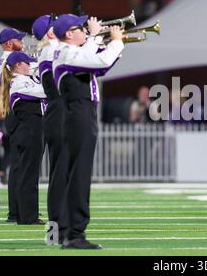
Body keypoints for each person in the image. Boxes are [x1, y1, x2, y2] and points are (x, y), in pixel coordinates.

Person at [52, 14, 125, 249]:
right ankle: (75, 234)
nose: (86, 30)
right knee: (79, 175)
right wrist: (113, 41)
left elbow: (99, 68)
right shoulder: (66, 52)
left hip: (80, 113)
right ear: (68, 34)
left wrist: (110, 46)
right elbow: (99, 62)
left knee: (77, 174)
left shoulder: (74, 54)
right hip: (78, 113)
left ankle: (71, 232)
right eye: (81, 28)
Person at [32, 15, 68, 244]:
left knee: (61, 175)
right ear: (50, 33)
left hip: (58, 114)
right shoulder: (52, 50)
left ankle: (58, 231)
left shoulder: (50, 50)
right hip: (60, 114)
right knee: (60, 175)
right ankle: (56, 232)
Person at [0, 51, 46, 224]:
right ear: (19, 65)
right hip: (29, 132)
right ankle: (28, 216)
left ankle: (22, 213)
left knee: (26, 174)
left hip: (28, 132)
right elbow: (45, 91)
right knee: (29, 175)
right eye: (27, 63)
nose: (30, 65)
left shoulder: (22, 80)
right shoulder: (19, 82)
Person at [0, 28, 26, 222]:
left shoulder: (6, 59)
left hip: (13, 112)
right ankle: (16, 210)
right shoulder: (9, 60)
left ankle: (18, 209)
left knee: (18, 164)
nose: (22, 42)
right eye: (18, 40)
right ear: (9, 43)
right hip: (17, 113)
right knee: (19, 164)